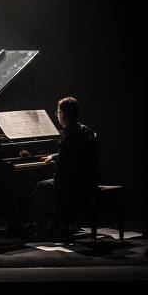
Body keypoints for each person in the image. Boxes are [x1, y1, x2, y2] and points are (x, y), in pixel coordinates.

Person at [31, 96, 98, 239]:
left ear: (63, 114)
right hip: (88, 180)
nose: (57, 115)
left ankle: (42, 229)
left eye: (57, 112)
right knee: (50, 183)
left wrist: (54, 164)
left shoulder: (68, 135)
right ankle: (56, 223)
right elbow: (74, 154)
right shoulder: (84, 130)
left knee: (41, 185)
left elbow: (62, 169)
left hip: (73, 184)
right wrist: (54, 157)